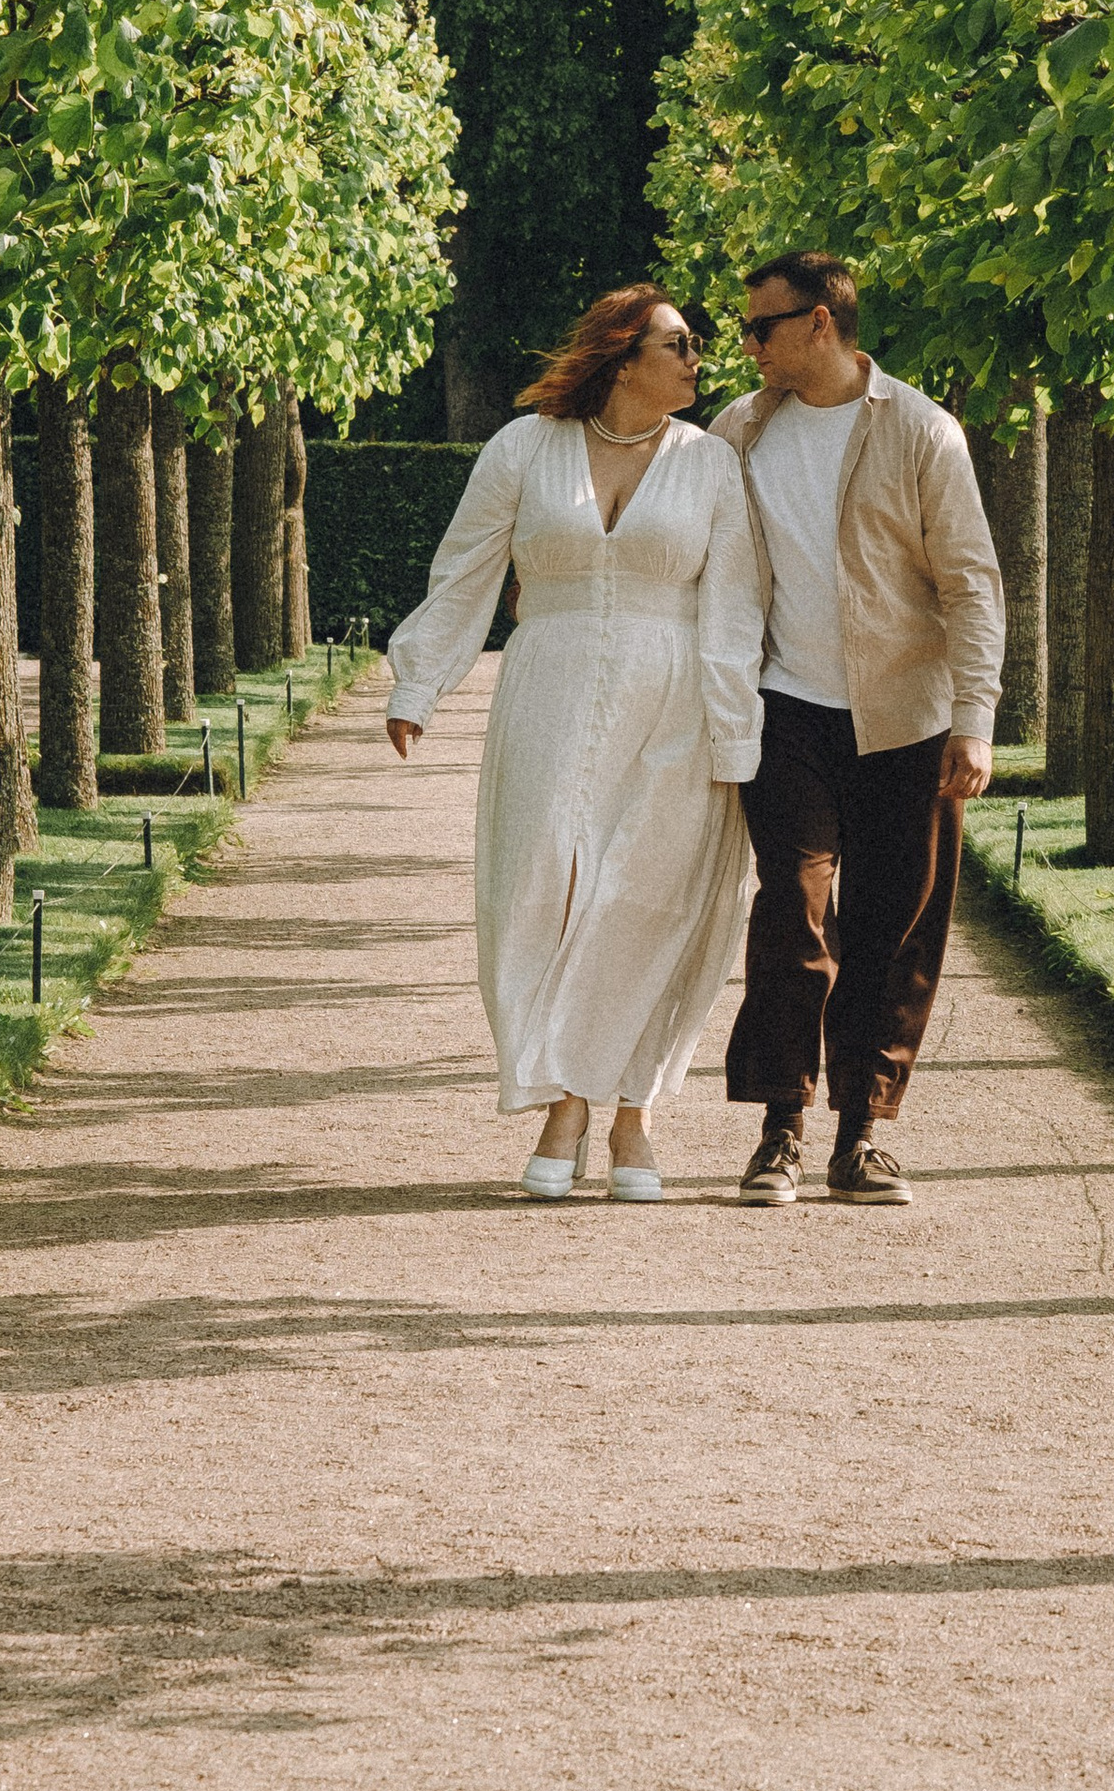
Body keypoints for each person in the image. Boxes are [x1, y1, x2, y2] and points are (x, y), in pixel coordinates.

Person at [384, 286, 762, 1202]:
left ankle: (626, 1112)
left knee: (647, 899)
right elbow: (465, 569)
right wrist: (418, 683)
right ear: (623, 357)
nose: (698, 357)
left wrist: (736, 738)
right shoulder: (523, 447)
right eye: (680, 342)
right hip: (546, 692)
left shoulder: (711, 464)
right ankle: (563, 1096)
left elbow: (735, 609)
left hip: (676, 701)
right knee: (540, 890)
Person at [713, 252, 1005, 1208]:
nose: (749, 345)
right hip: (784, 709)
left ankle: (862, 1137)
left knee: (893, 927)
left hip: (908, 717)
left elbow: (970, 582)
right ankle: (780, 1129)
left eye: (761, 327)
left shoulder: (923, 431)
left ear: (819, 323)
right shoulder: (738, 431)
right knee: (792, 911)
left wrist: (974, 718)